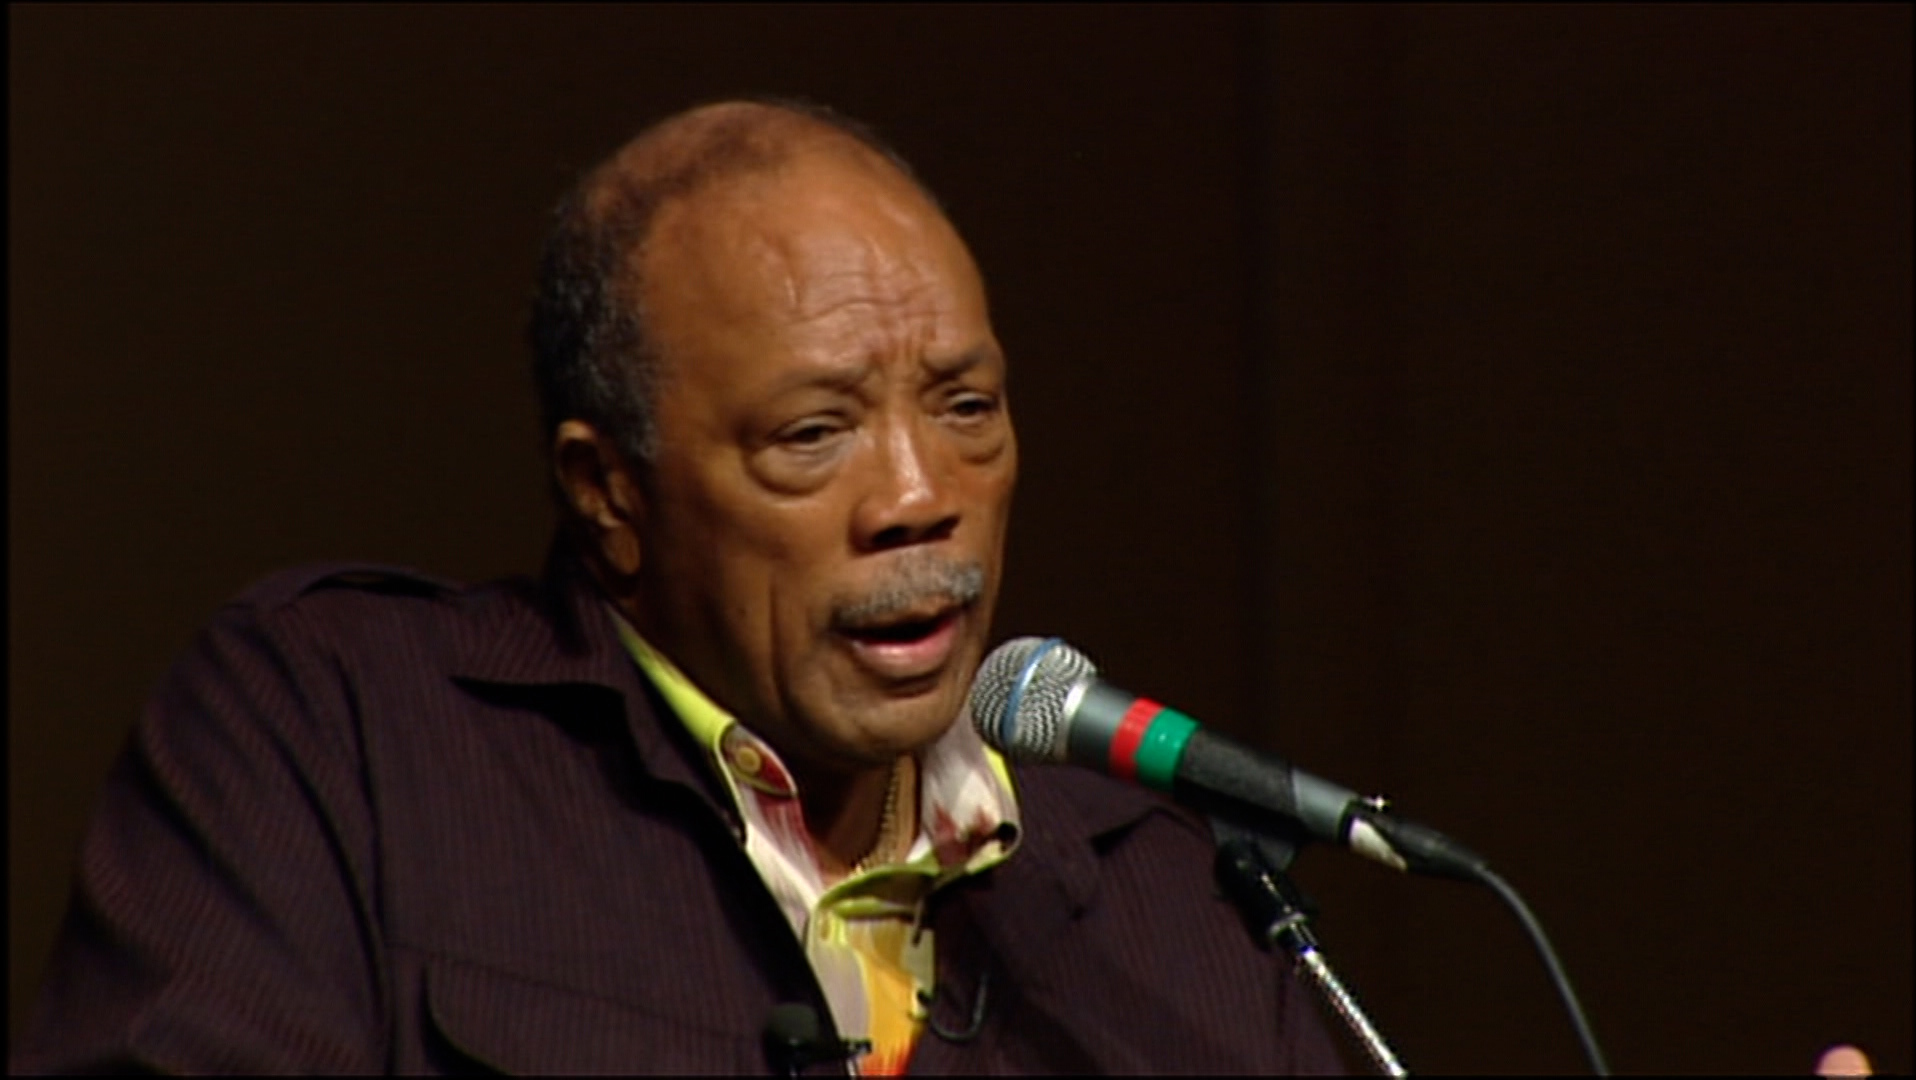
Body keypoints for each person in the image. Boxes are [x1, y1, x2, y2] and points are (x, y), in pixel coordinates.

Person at [11, 99, 1343, 1074]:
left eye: (967, 408)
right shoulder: (340, 740)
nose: (916, 496)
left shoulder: (1170, 898)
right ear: (610, 495)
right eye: (812, 435)